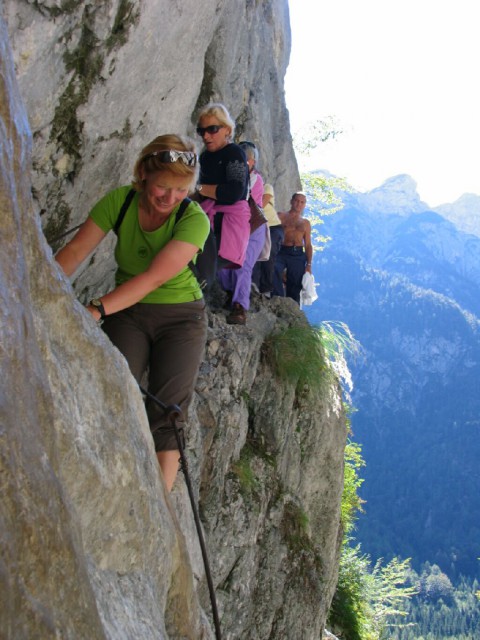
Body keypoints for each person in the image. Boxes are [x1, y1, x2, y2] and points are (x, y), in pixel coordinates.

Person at [55, 134, 210, 492]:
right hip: (130, 313)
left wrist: (97, 308)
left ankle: (161, 505)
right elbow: (76, 251)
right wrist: (40, 289)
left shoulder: (194, 219)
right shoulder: (120, 202)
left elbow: (154, 277)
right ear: (142, 175)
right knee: (114, 387)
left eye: (180, 190)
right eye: (162, 188)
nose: (170, 199)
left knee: (169, 413)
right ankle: (105, 479)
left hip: (181, 318)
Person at [195, 103, 250, 270]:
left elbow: (233, 192)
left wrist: (197, 188)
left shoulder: (234, 152)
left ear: (227, 129)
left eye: (212, 129)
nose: (206, 136)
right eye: (201, 131)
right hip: (208, 220)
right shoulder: (204, 157)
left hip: (227, 225)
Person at [218, 141, 268, 325]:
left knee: (243, 264)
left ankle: (240, 307)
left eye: (246, 159)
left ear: (252, 162)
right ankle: (232, 293)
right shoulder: (228, 178)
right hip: (235, 225)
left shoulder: (256, 180)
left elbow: (240, 198)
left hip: (253, 227)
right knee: (224, 262)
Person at [273, 191, 313, 304]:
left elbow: (308, 245)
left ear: (304, 205)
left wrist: (309, 265)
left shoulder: (305, 223)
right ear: (291, 201)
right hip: (282, 251)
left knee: (295, 282)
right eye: (296, 201)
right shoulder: (281, 216)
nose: (299, 204)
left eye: (302, 202)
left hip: (298, 254)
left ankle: (292, 307)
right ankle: (277, 300)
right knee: (274, 268)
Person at [252, 182, 284, 298]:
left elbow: (263, 203)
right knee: (254, 256)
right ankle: (254, 287)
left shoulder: (266, 186)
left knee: (268, 255)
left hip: (272, 226)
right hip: (256, 226)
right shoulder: (248, 188)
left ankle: (266, 290)